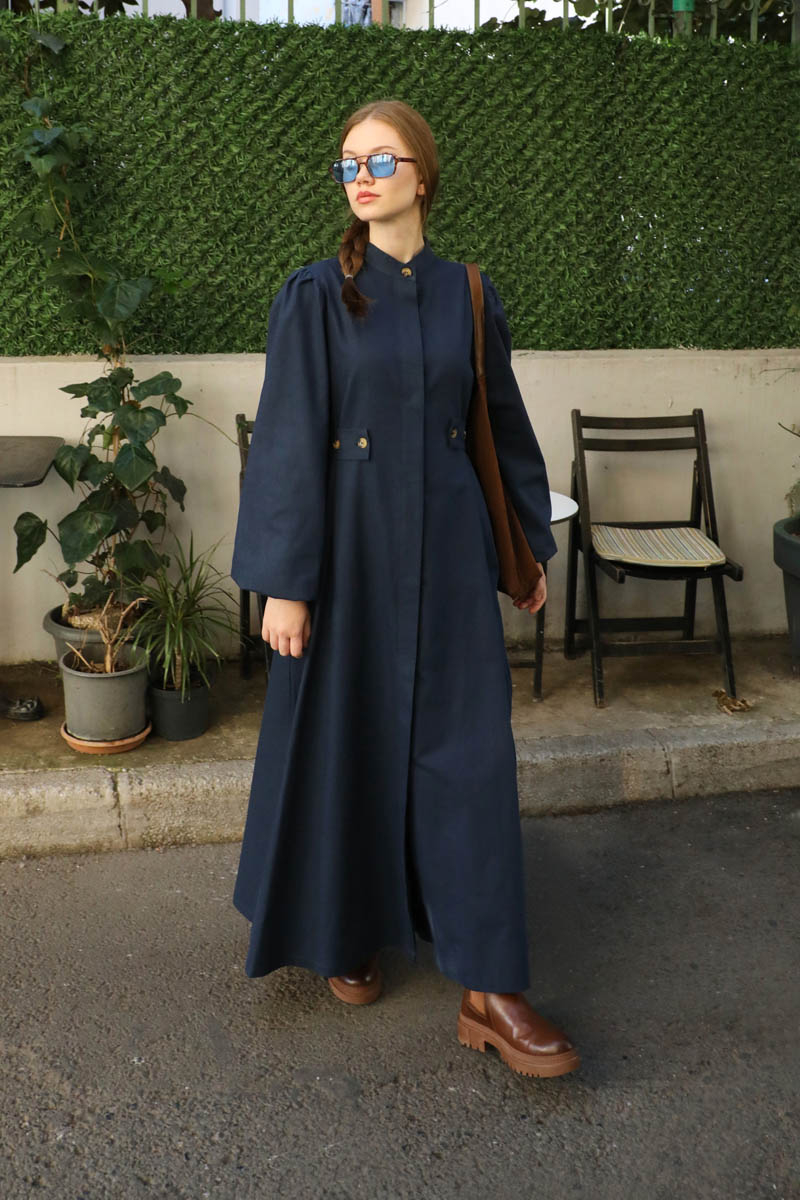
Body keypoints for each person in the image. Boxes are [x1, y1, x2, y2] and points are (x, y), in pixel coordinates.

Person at [231, 99, 579, 1080]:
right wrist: (285, 584)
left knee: (471, 759)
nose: (362, 177)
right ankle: (345, 930)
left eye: (380, 160)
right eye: (348, 163)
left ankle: (490, 988)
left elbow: (500, 424)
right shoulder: (315, 295)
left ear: (422, 174)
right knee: (345, 740)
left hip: (453, 554)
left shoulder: (470, 292)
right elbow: (288, 439)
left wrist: (524, 552)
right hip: (345, 557)